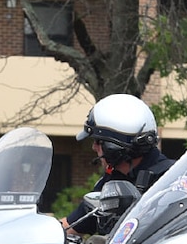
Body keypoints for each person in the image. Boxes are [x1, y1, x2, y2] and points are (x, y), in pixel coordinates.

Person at [65, 95, 173, 236]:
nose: (93, 147)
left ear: (113, 147)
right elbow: (72, 226)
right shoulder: (112, 181)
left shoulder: (171, 180)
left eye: (98, 141)